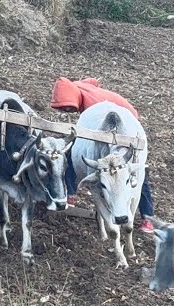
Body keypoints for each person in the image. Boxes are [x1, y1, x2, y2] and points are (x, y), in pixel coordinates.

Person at [49, 77, 157, 233]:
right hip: (111, 120)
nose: (67, 111)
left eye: (68, 107)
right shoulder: (79, 89)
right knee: (72, 151)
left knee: (134, 172)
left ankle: (148, 217)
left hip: (126, 120)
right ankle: (71, 194)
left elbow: (100, 129)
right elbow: (92, 82)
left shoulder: (94, 107)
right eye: (63, 109)